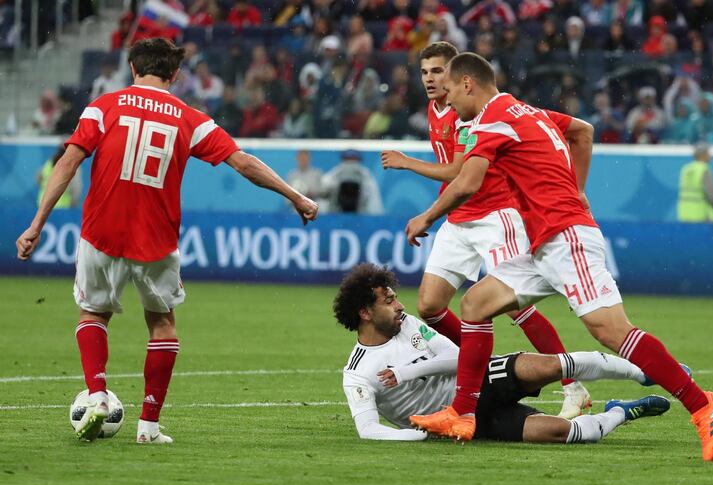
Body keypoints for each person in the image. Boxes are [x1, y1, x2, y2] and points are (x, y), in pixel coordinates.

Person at [404, 52, 713, 462]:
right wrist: (577, 188)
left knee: (612, 332)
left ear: (468, 83)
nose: (448, 101)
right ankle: (463, 412)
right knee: (475, 304)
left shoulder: (493, 117)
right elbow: (583, 132)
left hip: (566, 237)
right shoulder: (528, 111)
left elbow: (468, 180)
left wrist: (426, 217)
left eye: (450, 90)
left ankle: (702, 404)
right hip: (542, 244)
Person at [15, 38, 319, 445]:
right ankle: (148, 427)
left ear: (132, 67)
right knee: (161, 324)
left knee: (93, 314)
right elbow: (242, 162)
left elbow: (68, 161)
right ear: (175, 75)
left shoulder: (104, 106)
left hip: (101, 231)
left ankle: (99, 397)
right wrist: (294, 195)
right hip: (155, 238)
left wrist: (37, 223)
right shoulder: (190, 118)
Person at [380, 42, 591, 419]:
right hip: (459, 219)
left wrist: (406, 162)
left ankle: (572, 385)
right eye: (425, 72)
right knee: (429, 305)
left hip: (497, 215)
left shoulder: (473, 114)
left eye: (438, 71)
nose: (430, 79)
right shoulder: (436, 109)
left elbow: (460, 173)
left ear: (461, 78)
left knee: (515, 309)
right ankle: (483, 364)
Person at [336, 263, 673, 443]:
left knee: (548, 367)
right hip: (466, 423)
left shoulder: (407, 323)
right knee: (562, 433)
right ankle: (619, 413)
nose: (400, 305)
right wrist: (420, 435)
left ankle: (641, 372)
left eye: (396, 298)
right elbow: (369, 430)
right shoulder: (358, 374)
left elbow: (461, 356)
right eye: (389, 301)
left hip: (476, 384)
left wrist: (411, 372)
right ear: (365, 313)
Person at [322, 149, 384, 214]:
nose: (351, 162)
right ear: (343, 160)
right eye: (348, 159)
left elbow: (375, 202)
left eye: (353, 159)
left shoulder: (367, 176)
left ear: (358, 160)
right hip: (335, 214)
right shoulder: (333, 175)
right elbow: (323, 197)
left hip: (361, 216)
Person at [677, 143, 713, 222]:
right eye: (709, 153)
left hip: (685, 216)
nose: (711, 156)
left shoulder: (686, 169)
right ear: (703, 155)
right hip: (702, 217)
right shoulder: (704, 170)